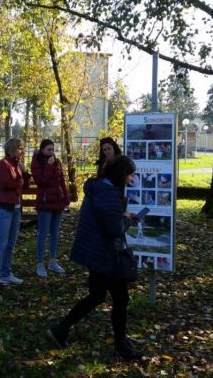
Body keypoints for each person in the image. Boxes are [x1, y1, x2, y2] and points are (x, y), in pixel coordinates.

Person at [48, 155, 144, 361]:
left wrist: (123, 216)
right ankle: (121, 345)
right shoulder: (109, 194)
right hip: (104, 254)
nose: (130, 179)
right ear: (121, 175)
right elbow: (113, 229)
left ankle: (60, 329)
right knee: (121, 298)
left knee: (97, 296)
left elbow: (106, 220)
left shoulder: (98, 188)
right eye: (130, 175)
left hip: (93, 251)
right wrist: (126, 219)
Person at [0, 137, 31, 294]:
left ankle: (5, 274)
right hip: (4, 208)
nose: (22, 150)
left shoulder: (17, 164)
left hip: (16, 208)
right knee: (2, 243)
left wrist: (24, 172)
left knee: (11, 243)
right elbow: (7, 184)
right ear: (12, 149)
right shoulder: (3, 164)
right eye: (20, 148)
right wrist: (19, 179)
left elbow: (24, 186)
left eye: (22, 148)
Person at [31, 139, 70, 278]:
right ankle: (40, 263)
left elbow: (62, 181)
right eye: (49, 149)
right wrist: (48, 166)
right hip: (45, 202)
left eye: (53, 149)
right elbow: (41, 181)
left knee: (55, 232)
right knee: (43, 233)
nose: (51, 152)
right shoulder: (37, 161)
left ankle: (52, 261)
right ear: (42, 150)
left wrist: (66, 199)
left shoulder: (57, 161)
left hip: (58, 202)